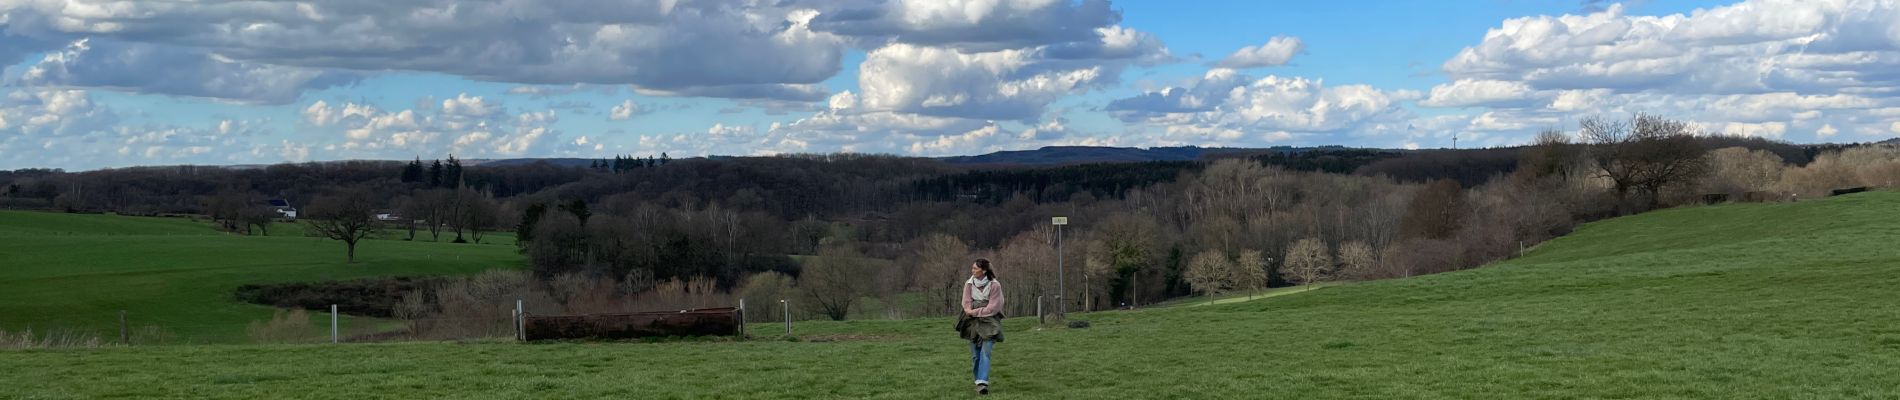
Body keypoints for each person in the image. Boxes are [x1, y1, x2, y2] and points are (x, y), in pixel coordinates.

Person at [956, 258, 1005, 395]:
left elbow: (993, 308)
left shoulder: (995, 285)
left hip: (989, 322)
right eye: (972, 268)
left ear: (983, 270)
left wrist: (975, 311)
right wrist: (971, 311)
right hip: (971, 322)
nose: (972, 271)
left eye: (975, 269)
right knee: (975, 355)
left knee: (986, 351)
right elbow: (966, 304)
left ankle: (982, 383)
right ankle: (978, 381)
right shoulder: (969, 284)